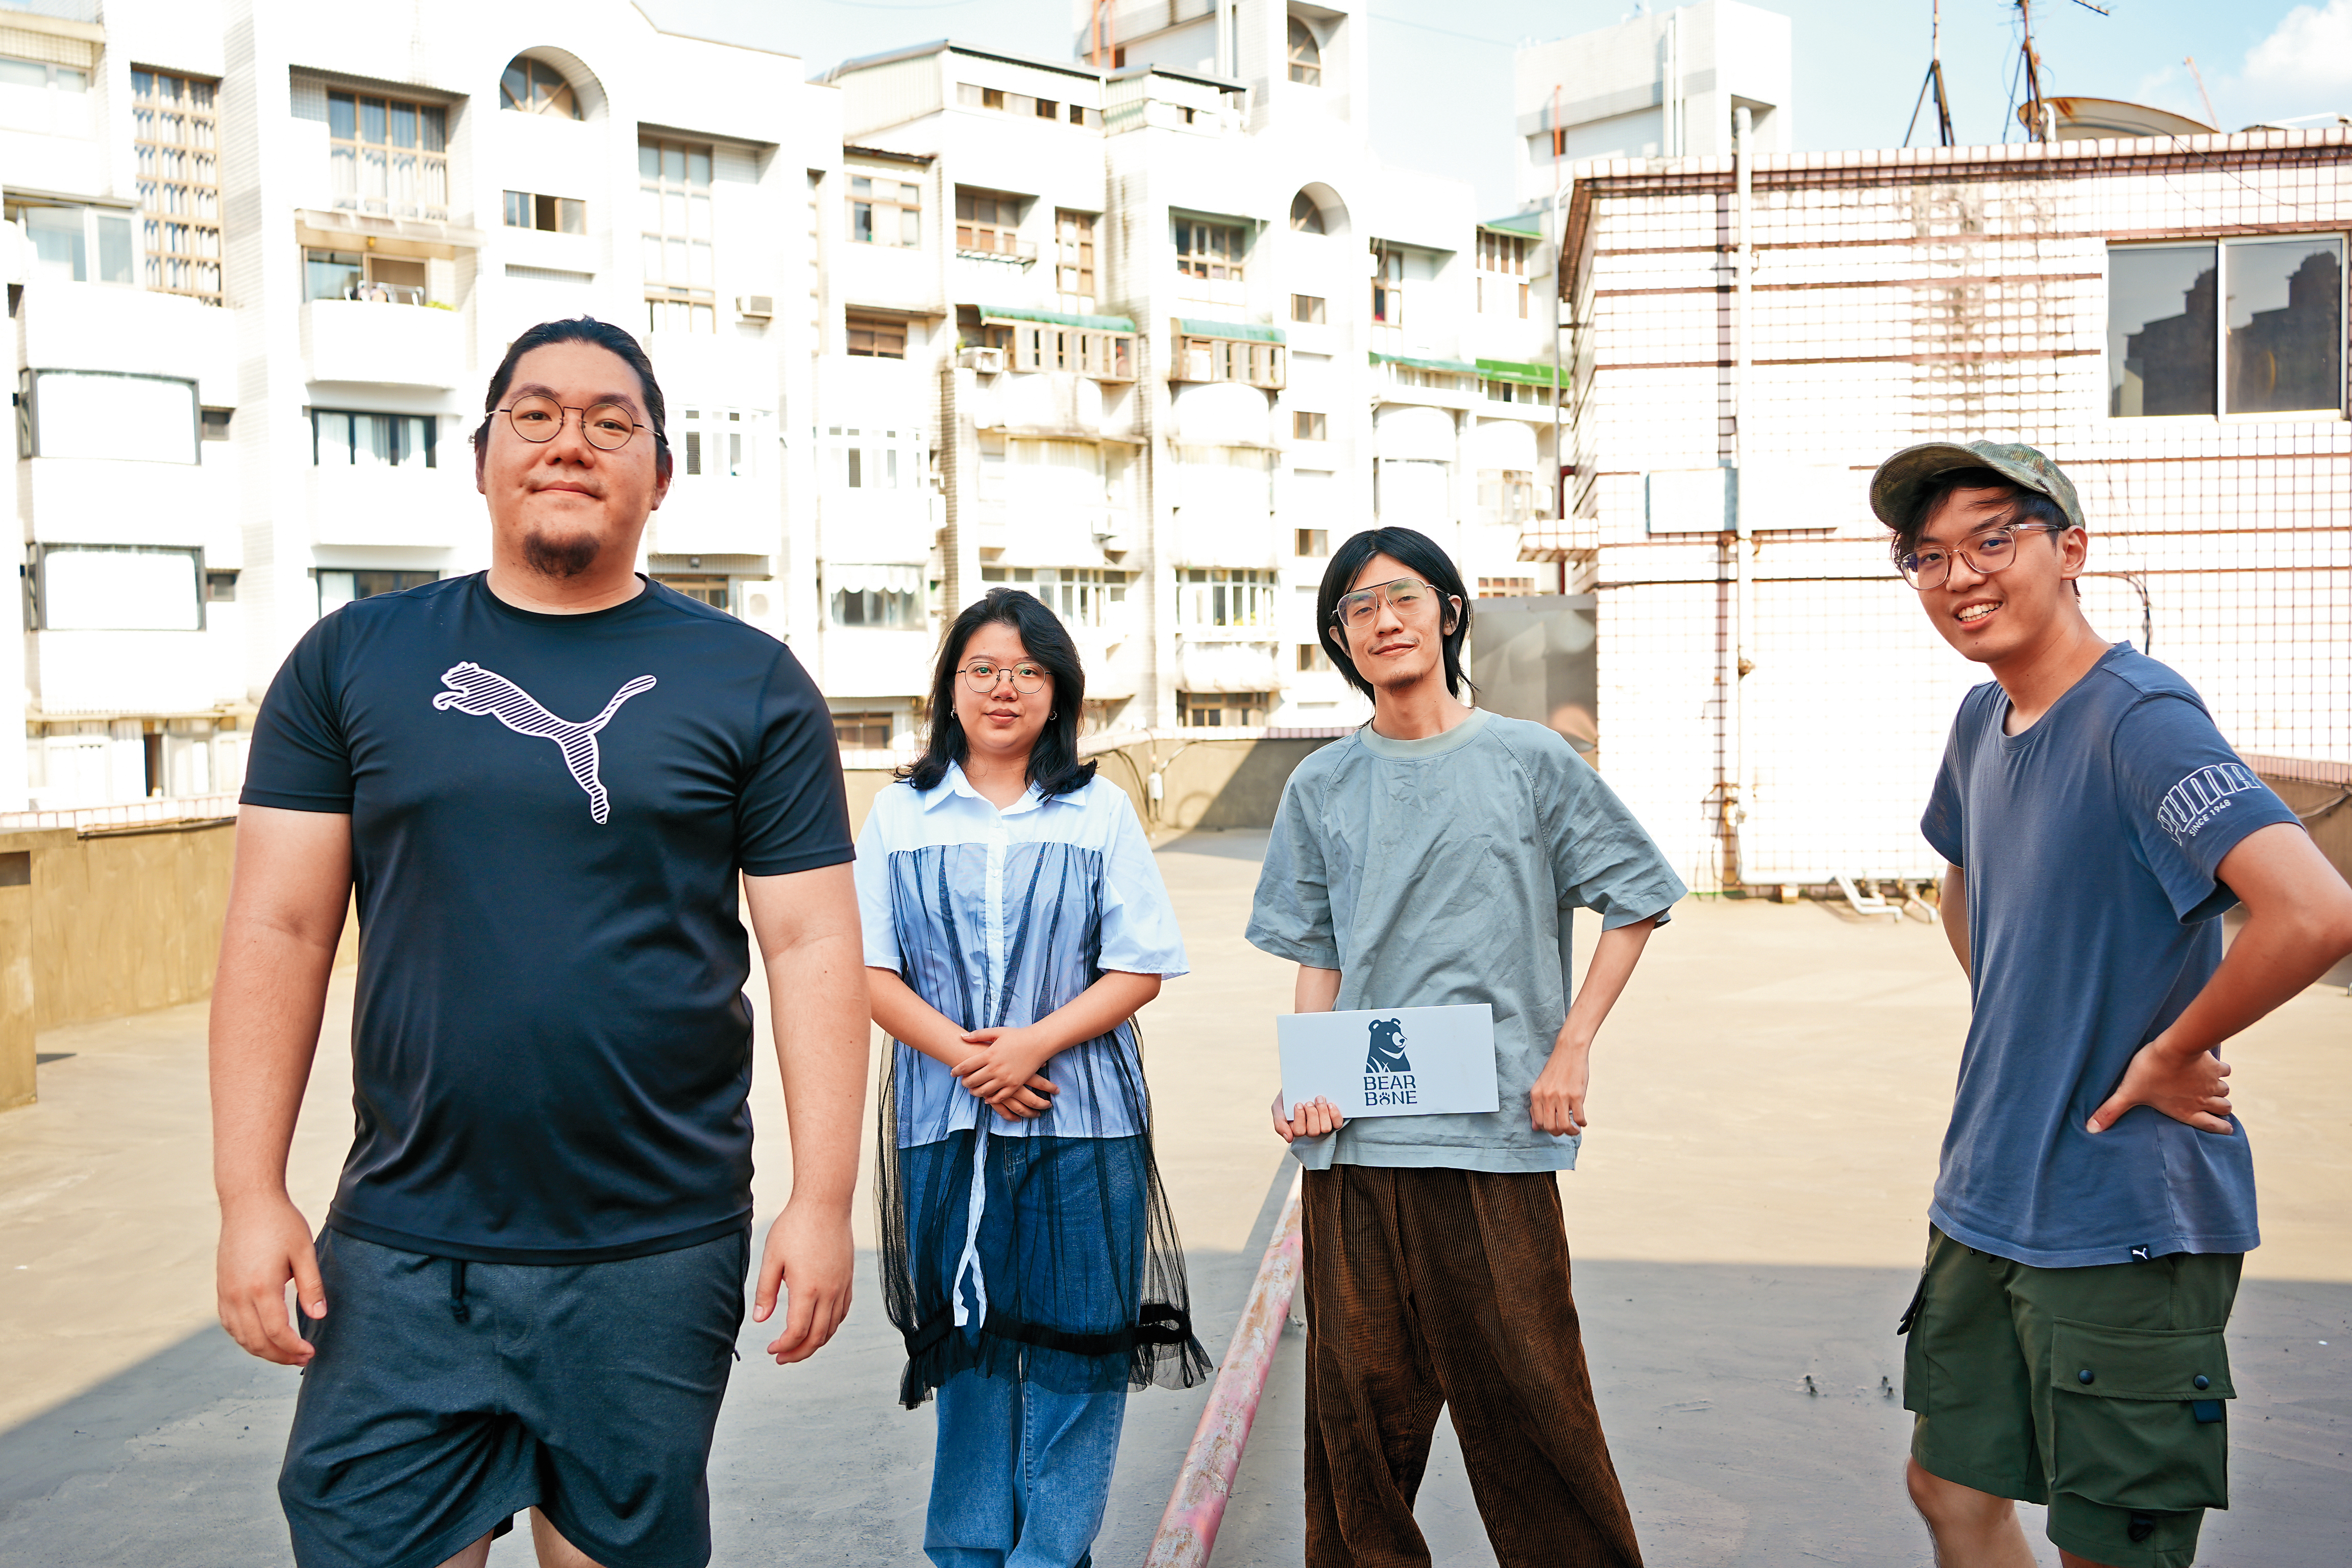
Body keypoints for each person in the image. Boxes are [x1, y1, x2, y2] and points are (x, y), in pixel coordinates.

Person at [213, 316, 869, 1568]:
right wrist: (249, 1195)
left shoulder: (750, 681)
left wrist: (823, 1199)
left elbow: (812, 951)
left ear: (660, 475)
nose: (572, 441)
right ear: (483, 455)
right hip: (408, 1245)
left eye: (611, 421)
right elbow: (278, 928)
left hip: (653, 1247)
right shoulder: (355, 660)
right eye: (538, 413)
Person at [1873, 441, 2352, 1568]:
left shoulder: (2139, 718)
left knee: (2113, 1543)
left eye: (1995, 538)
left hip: (2124, 1211)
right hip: (1988, 1192)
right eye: (1928, 555)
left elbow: (2313, 911)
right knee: (1949, 1486)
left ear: (2071, 549)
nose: (1961, 575)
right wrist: (2027, 1010)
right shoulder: (1981, 722)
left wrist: (2173, 1048)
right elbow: (1963, 874)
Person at [1245, 527, 1685, 1568]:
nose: (1384, 620)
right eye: (1357, 608)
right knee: (1356, 1425)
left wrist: (1572, 1047)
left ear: (1448, 612)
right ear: (1340, 640)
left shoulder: (1527, 759)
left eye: (1403, 597)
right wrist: (1306, 1079)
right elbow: (1316, 949)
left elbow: (1638, 898)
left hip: (1494, 1141)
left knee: (1534, 1408)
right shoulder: (1322, 786)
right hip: (1357, 1147)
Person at [857, 587, 1210, 1568]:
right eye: (983, 669)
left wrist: (1029, 1047)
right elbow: (868, 971)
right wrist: (975, 1059)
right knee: (972, 1352)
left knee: (1077, 1351)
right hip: (947, 1119)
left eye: (1027, 670)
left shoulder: (1098, 812)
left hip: (1081, 1121)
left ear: (1057, 693)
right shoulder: (900, 814)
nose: (1003, 688)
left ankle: (1052, 1555)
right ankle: (970, 1554)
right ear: (950, 690)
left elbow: (1140, 963)